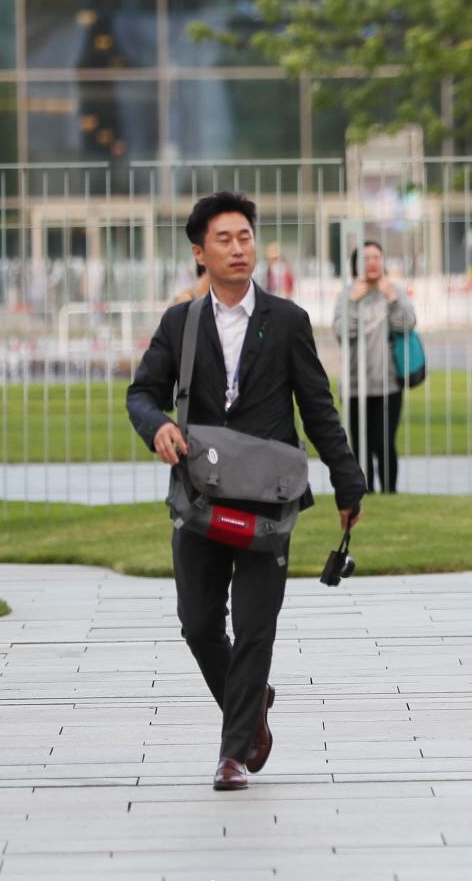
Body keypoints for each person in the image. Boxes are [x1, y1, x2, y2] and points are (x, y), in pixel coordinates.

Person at [126, 191, 366, 792]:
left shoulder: (287, 321)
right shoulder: (180, 323)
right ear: (199, 253)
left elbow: (317, 406)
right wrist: (157, 426)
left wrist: (346, 477)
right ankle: (252, 701)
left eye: (246, 237)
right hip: (201, 498)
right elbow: (141, 393)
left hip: (269, 500)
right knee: (198, 624)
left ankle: (234, 753)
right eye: (225, 239)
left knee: (256, 626)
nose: (239, 248)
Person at [335, 240, 417, 495]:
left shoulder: (394, 291)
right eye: (366, 258)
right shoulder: (347, 294)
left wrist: (393, 299)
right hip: (354, 385)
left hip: (388, 384)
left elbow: (407, 325)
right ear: (356, 265)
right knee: (359, 444)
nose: (372, 262)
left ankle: (389, 493)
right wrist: (352, 303)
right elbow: (341, 332)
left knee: (384, 443)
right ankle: (364, 493)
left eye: (376, 257)